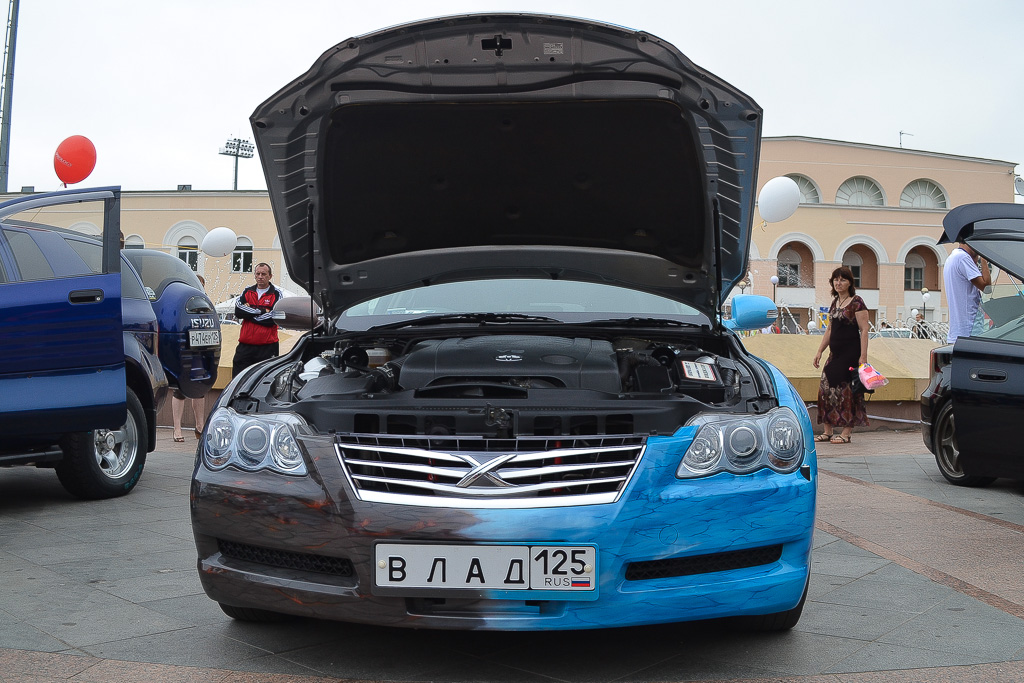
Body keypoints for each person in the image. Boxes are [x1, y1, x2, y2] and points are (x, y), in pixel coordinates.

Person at [812, 266, 870, 444]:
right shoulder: (835, 302)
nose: (838, 283)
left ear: (850, 282)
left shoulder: (857, 302)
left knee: (847, 392)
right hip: (834, 354)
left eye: (843, 279)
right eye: (836, 280)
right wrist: (820, 350)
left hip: (850, 354)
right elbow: (830, 329)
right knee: (825, 388)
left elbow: (864, 330)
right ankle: (828, 430)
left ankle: (846, 433)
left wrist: (863, 357)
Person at [172, 275, 209, 441]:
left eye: (201, 285)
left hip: (200, 350)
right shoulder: (181, 302)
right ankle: (177, 428)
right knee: (180, 388)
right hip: (183, 348)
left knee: (199, 388)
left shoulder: (206, 303)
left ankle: (200, 426)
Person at [232, 262, 284, 377]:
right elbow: (238, 312)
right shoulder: (247, 291)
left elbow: (274, 317)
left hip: (267, 347)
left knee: (265, 378)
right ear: (255, 275)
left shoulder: (277, 294)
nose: (260, 277)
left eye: (263, 274)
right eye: (258, 274)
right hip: (245, 346)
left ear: (270, 276)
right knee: (239, 378)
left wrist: (249, 314)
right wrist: (262, 311)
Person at [943, 241, 991, 343]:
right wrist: (984, 259)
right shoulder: (963, 258)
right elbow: (987, 287)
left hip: (958, 333)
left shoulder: (952, 257)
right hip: (970, 332)